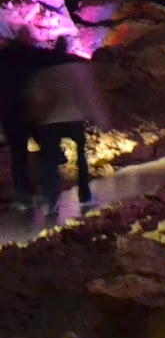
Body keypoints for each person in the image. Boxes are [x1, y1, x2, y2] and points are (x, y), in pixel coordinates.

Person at [26, 37, 109, 215]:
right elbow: (89, 95)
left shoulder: (43, 72)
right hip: (73, 118)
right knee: (81, 157)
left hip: (49, 121)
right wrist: (100, 118)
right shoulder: (76, 69)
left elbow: (36, 97)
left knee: (50, 162)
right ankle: (85, 194)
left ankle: (51, 200)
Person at [0, 34, 48, 210]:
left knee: (18, 156)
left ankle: (24, 194)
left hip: (11, 114)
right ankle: (45, 189)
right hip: (30, 110)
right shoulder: (29, 55)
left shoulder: (5, 59)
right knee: (44, 151)